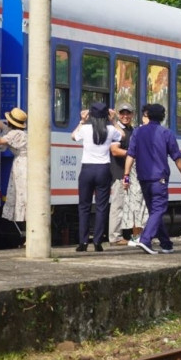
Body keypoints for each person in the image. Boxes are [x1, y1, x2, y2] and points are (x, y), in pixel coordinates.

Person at [125, 103, 181, 254]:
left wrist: (126, 175)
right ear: (162, 117)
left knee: (154, 210)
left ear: (147, 115)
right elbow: (177, 157)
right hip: (158, 178)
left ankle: (166, 244)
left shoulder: (137, 132)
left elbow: (130, 155)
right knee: (159, 209)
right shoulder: (166, 133)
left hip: (143, 178)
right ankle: (145, 239)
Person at [71, 101, 122, 252]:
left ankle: (83, 242)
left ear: (91, 114)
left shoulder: (85, 129)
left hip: (87, 169)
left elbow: (73, 136)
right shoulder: (111, 129)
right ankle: (98, 242)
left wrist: (82, 121)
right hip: (103, 170)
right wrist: (113, 120)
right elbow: (123, 135)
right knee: (101, 207)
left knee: (84, 206)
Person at [109, 106, 146, 244]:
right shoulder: (116, 131)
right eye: (122, 113)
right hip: (119, 172)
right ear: (118, 114)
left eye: (128, 113)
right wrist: (133, 154)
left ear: (133, 114)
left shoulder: (131, 130)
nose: (125, 116)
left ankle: (129, 235)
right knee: (118, 204)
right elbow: (114, 150)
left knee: (129, 205)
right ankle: (115, 237)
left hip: (130, 173)